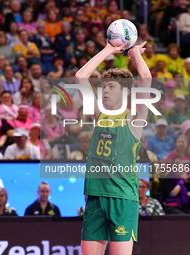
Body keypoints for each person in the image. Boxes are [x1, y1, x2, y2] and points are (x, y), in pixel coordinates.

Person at [75, 40, 151, 254]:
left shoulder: (135, 119)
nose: (105, 91)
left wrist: (135, 54)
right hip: (95, 197)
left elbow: (146, 79)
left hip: (122, 197)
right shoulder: (99, 115)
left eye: (111, 87)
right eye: (104, 86)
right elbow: (80, 77)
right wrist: (107, 50)